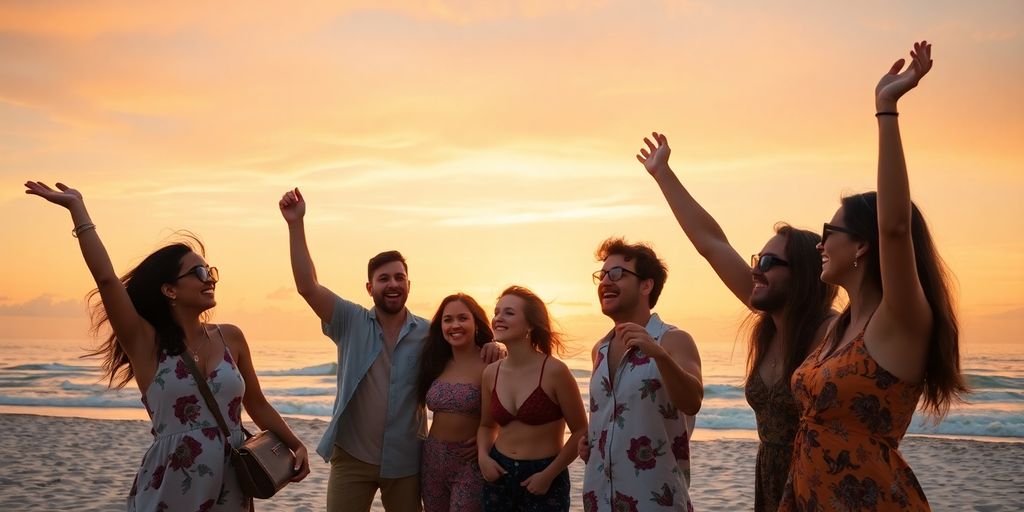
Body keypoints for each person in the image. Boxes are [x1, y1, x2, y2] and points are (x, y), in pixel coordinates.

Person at [24, 181, 310, 512]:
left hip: (232, 478)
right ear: (170, 290)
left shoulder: (230, 336)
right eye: (199, 272)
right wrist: (78, 209)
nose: (210, 278)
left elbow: (257, 404)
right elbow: (106, 279)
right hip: (174, 479)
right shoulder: (145, 342)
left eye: (211, 270)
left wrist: (295, 444)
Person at [780, 41, 967, 511]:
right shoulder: (836, 328)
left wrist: (886, 110)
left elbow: (896, 227)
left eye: (830, 231)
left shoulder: (899, 320)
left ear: (863, 245)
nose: (821, 243)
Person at [635, 132, 837, 510]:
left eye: (769, 263)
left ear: (805, 275)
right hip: (771, 482)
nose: (755, 270)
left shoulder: (831, 332)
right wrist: (663, 173)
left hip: (819, 486)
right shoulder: (770, 324)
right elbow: (711, 244)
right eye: (756, 259)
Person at [278, 188, 503, 512]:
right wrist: (295, 224)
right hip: (352, 458)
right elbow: (307, 286)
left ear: (409, 285)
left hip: (407, 461)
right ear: (370, 288)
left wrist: (496, 346)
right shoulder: (349, 320)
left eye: (400, 277)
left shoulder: (430, 333)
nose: (393, 284)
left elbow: (468, 352)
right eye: (384, 279)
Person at [580, 238, 703, 512]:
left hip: (656, 500)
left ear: (646, 285)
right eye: (602, 275)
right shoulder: (599, 349)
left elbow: (693, 400)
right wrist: (594, 440)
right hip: (600, 499)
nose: (605, 282)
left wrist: (657, 353)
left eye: (617, 274)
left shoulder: (673, 339)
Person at [477, 286, 587, 512]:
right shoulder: (491, 373)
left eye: (509, 312)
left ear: (530, 324)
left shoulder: (555, 371)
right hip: (499, 474)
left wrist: (548, 475)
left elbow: (580, 431)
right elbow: (487, 425)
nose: (498, 318)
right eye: (497, 312)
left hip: (544, 476)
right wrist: (483, 458)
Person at [416, 294, 492, 512]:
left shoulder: (491, 362)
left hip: (470, 462)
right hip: (432, 459)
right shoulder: (434, 362)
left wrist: (489, 439)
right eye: (448, 319)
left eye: (462, 318)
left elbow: (508, 411)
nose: (455, 325)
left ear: (476, 323)